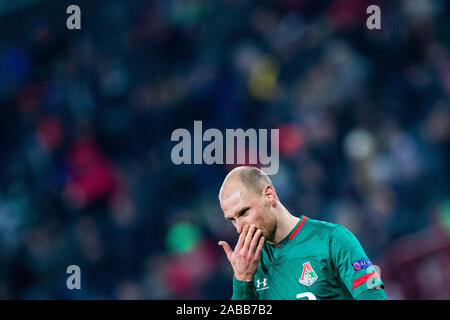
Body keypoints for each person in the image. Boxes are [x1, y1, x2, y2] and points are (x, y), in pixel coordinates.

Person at [218, 166, 387, 300]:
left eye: (244, 212)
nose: (239, 228)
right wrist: (242, 280)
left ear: (269, 195)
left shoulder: (333, 240)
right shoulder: (249, 266)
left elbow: (375, 296)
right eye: (232, 219)